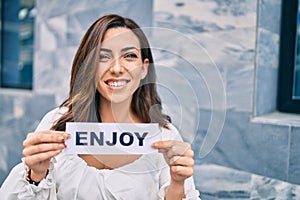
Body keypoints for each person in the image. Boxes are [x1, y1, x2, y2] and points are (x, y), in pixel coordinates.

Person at [0, 14, 200, 199]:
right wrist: (36, 174)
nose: (116, 68)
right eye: (103, 57)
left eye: (129, 56)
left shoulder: (163, 136)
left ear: (144, 69)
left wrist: (177, 182)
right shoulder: (56, 124)